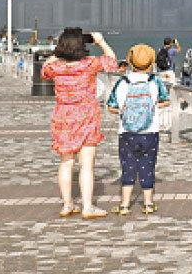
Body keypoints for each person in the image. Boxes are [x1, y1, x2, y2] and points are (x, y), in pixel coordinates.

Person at [42, 28, 118, 219]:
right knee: (87, 164)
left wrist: (60, 51)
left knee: (66, 162)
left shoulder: (56, 67)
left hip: (63, 116)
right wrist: (100, 41)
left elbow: (44, 68)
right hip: (87, 116)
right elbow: (112, 62)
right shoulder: (90, 64)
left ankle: (67, 204)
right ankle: (87, 207)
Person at [105, 44, 169, 216]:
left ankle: (124, 205)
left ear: (130, 62)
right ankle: (148, 204)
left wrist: (124, 111)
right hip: (150, 132)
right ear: (151, 63)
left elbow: (111, 107)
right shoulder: (155, 81)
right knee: (148, 165)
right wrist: (153, 106)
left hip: (126, 132)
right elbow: (166, 101)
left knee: (128, 167)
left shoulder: (122, 82)